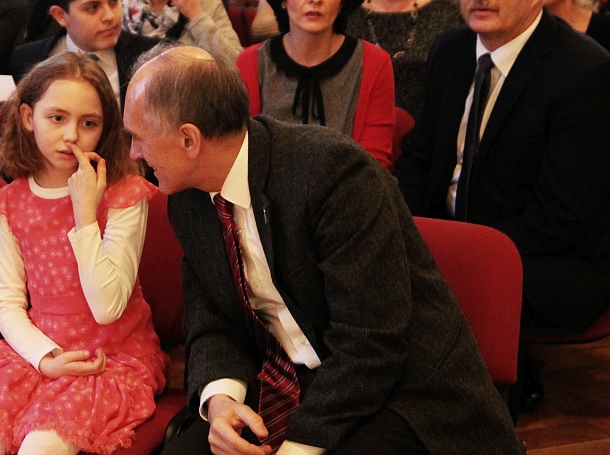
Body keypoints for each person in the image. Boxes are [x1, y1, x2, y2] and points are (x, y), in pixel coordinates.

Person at [122, 45, 522, 454]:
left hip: (399, 390)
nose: (134, 152)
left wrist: (299, 446)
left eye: (139, 137)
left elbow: (372, 343)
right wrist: (222, 398)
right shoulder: (187, 197)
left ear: (189, 139)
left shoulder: (331, 174)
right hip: (287, 378)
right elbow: (209, 316)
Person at [0, 53, 169, 455]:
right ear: (28, 117)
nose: (71, 135)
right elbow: (7, 302)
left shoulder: (124, 196)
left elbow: (108, 306)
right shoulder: (12, 203)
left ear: (105, 128)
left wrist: (84, 214)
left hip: (107, 359)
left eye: (88, 123)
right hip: (37, 353)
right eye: (56, 118)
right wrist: (44, 358)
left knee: (40, 449)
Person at [396, 0, 610, 358]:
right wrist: (406, 231)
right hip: (452, 241)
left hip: (545, 260)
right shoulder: (452, 50)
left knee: (420, 300)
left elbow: (560, 218)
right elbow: (419, 157)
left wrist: (456, 252)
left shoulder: (583, 72)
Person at [237, 0, 395, 170]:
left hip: (350, 202)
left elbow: (374, 166)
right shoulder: (251, 62)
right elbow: (243, 158)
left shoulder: (374, 63)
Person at [9, 0, 159, 106]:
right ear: (60, 15)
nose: (109, 16)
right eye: (93, 7)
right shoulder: (27, 60)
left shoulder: (151, 59)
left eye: (114, 0)